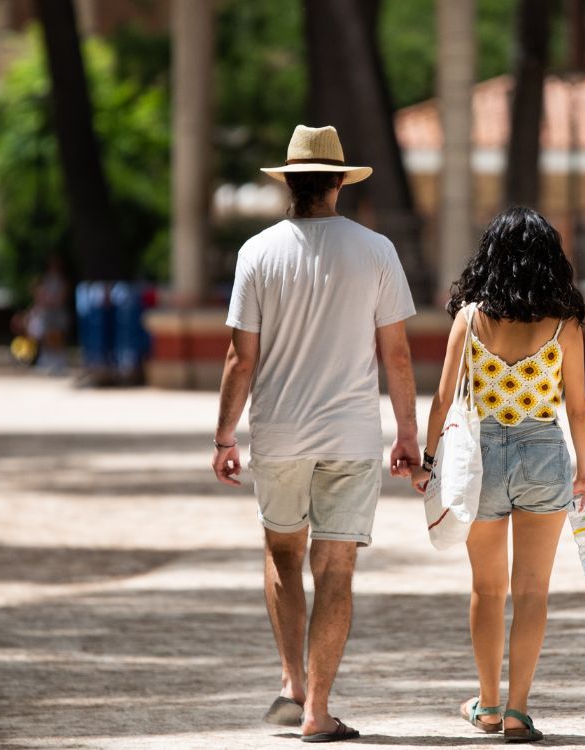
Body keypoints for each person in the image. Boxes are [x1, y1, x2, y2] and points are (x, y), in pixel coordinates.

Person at [212, 124, 420, 744]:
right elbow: (399, 354)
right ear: (337, 184)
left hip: (278, 435)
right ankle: (317, 711)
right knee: (336, 570)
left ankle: (291, 682)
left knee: (282, 555)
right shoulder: (376, 250)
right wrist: (407, 433)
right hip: (353, 438)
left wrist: (225, 436)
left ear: (289, 185)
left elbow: (239, 360)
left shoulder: (256, 253)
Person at [411, 207, 585, 744]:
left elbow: (444, 399)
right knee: (533, 591)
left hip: (481, 459)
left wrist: (428, 464)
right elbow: (579, 408)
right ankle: (519, 713)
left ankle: (487, 705)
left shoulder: (469, 318)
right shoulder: (565, 324)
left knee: (487, 589)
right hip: (544, 451)